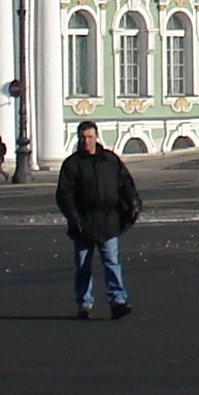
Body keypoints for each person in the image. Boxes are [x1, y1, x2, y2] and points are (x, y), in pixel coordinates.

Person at [55, 119, 141, 320]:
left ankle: (118, 301)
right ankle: (84, 303)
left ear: (96, 137)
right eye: (83, 138)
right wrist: (74, 217)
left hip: (108, 220)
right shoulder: (72, 164)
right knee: (83, 267)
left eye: (90, 137)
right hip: (83, 222)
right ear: (78, 139)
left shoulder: (109, 160)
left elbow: (125, 183)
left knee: (112, 263)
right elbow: (64, 195)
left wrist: (133, 203)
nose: (87, 141)